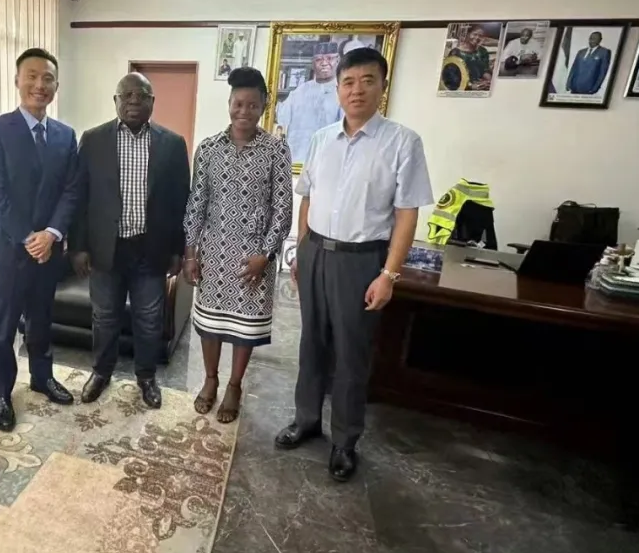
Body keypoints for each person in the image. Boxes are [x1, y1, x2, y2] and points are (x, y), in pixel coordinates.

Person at [275, 47, 433, 482]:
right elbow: (307, 197)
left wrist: (389, 274)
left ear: (383, 86)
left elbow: (407, 214)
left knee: (351, 353)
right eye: (348, 82)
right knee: (311, 344)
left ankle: (345, 441)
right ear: (337, 89)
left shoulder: (402, 142)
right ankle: (306, 420)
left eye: (367, 81)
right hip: (315, 253)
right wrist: (301, 249)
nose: (356, 90)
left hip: (361, 261)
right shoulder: (321, 139)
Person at [70, 73, 190, 408]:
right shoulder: (93, 140)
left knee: (149, 319)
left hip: (150, 249)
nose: (134, 100)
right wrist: (78, 246)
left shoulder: (172, 144)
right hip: (106, 249)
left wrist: (177, 250)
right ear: (116, 100)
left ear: (153, 101)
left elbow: (182, 201)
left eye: (142, 95)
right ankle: (101, 372)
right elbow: (80, 197)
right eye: (127, 95)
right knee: (104, 316)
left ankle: (147, 377)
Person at [0, 47, 79, 431]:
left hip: (48, 251)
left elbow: (71, 191)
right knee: (1, 327)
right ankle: (1, 393)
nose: (40, 85)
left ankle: (42, 377)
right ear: (17, 81)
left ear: (56, 86)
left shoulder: (65, 136)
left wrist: (51, 234)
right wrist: (28, 236)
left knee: (41, 319)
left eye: (47, 78)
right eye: (32, 76)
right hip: (6, 249)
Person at [184, 68, 293, 423]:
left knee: (245, 329)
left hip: (254, 257)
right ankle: (210, 379)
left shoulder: (275, 149)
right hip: (213, 251)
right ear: (229, 103)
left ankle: (234, 385)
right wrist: (190, 252)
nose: (244, 111)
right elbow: (196, 203)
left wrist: (266, 254)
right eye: (238, 104)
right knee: (210, 323)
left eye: (252, 105)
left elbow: (282, 208)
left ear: (263, 107)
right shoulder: (208, 149)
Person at [274, 40, 343, 165]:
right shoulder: (299, 91)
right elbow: (281, 119)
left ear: (338, 60)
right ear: (312, 63)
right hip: (297, 160)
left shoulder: (343, 92)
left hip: (328, 162)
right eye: (319, 59)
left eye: (329, 58)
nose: (324, 63)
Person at [447, 24, 492, 90]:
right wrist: (471, 86)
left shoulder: (483, 51)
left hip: (481, 86)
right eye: (475, 34)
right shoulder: (455, 53)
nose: (477, 37)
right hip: (463, 88)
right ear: (468, 34)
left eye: (481, 36)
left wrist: (489, 82)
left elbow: (485, 69)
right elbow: (451, 76)